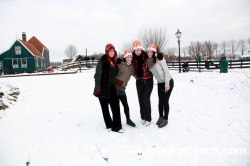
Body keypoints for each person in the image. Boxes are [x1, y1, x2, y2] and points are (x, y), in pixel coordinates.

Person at [94, 43, 123, 133]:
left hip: (112, 87)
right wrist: (97, 89)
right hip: (103, 88)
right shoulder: (102, 61)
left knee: (115, 107)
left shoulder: (115, 61)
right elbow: (97, 76)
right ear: (107, 52)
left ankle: (117, 126)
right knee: (105, 108)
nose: (111, 52)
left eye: (113, 51)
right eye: (110, 51)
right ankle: (109, 124)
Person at [146, 43, 174, 128]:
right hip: (159, 83)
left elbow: (166, 72)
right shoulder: (148, 61)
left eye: (151, 52)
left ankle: (165, 119)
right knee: (160, 101)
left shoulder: (160, 59)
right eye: (148, 52)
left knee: (165, 101)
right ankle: (161, 117)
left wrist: (167, 85)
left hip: (167, 82)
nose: (150, 53)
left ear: (154, 52)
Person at [132, 40, 153, 126]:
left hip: (148, 79)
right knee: (141, 99)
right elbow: (126, 62)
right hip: (139, 80)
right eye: (136, 50)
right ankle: (143, 117)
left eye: (139, 50)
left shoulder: (146, 56)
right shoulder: (132, 58)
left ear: (141, 50)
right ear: (134, 51)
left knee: (146, 98)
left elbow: (154, 55)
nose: (138, 52)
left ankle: (148, 118)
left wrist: (159, 55)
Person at [115, 49, 136, 127]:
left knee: (126, 105)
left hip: (123, 89)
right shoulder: (120, 64)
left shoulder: (132, 67)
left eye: (130, 57)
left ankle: (128, 120)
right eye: (127, 57)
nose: (129, 58)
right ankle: (116, 121)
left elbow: (135, 75)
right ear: (125, 57)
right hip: (115, 88)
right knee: (116, 107)